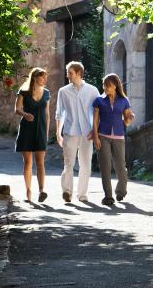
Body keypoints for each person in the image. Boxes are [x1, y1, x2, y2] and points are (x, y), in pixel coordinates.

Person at [55, 61, 100, 203]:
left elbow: (98, 113)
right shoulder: (63, 91)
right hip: (70, 132)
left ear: (79, 73)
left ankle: (82, 194)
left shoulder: (92, 91)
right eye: (67, 73)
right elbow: (59, 113)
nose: (67, 75)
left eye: (70, 73)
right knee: (68, 164)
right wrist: (58, 133)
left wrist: (95, 131)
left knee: (86, 164)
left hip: (87, 133)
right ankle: (67, 192)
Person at [92, 73, 134, 206]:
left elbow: (127, 122)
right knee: (105, 167)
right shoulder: (99, 100)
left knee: (121, 167)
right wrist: (95, 137)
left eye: (108, 85)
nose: (105, 88)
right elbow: (95, 121)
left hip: (118, 136)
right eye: (104, 85)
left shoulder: (124, 101)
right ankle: (108, 196)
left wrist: (129, 118)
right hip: (103, 136)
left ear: (115, 86)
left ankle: (121, 191)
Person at [15, 67, 50, 203]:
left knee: (40, 162)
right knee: (28, 162)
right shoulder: (23, 92)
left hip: (41, 131)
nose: (45, 79)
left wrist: (46, 134)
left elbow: (47, 115)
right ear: (35, 77)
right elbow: (17, 109)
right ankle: (28, 190)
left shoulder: (46, 93)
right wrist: (25, 114)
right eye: (43, 77)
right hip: (26, 130)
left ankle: (42, 191)